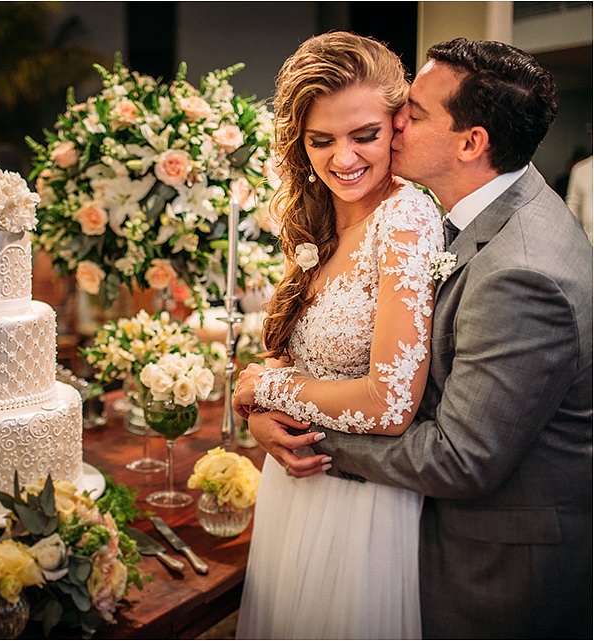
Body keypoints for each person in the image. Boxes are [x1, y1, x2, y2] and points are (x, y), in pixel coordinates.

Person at [238, 38, 592, 639]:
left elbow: (456, 454)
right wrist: (272, 406)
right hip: (347, 494)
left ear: (472, 142)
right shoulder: (479, 214)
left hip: (493, 558)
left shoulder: (520, 266)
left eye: (413, 114)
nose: (399, 123)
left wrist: (282, 406)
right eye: (321, 139)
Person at [232, 32, 443, 639]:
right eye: (321, 140)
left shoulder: (405, 220)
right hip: (295, 481)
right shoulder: (317, 210)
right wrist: (261, 416)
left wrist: (269, 388)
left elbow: (390, 403)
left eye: (365, 136)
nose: (343, 159)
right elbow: (297, 350)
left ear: (397, 124)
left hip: (361, 501)